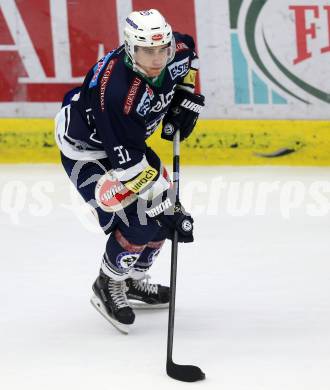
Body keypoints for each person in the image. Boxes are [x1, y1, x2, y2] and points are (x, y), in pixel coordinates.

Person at [55, 9, 205, 333]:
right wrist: (169, 203)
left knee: (162, 219)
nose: (156, 58)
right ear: (129, 49)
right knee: (139, 219)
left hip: (126, 145)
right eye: (146, 51)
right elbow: (130, 166)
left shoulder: (174, 52)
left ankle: (133, 280)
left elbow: (189, 53)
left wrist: (183, 95)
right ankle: (107, 284)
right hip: (89, 152)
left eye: (161, 49)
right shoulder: (118, 93)